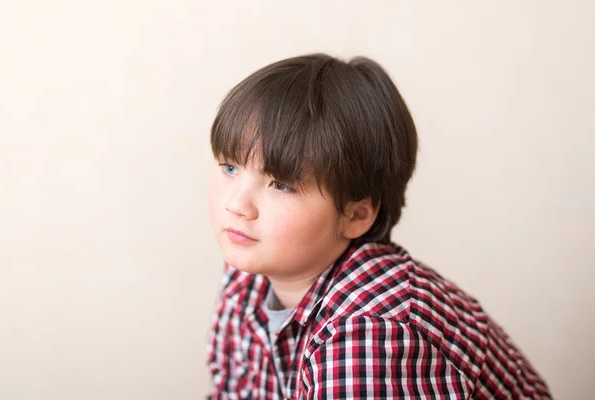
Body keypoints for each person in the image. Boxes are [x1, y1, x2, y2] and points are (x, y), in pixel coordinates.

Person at [206, 54, 551, 399]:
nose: (236, 205)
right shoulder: (249, 272)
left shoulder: (372, 332)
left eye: (281, 184)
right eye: (230, 168)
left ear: (356, 215)